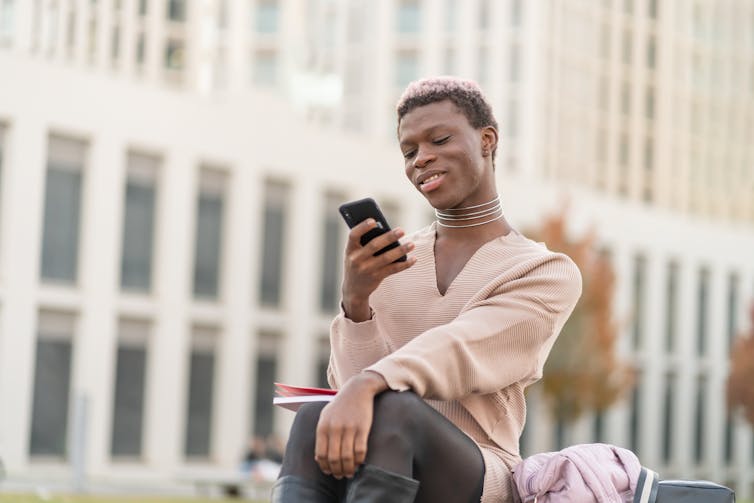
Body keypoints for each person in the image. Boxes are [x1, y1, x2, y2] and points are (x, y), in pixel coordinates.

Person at [271, 76, 582, 502]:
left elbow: (461, 349)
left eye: (438, 139)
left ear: (487, 140)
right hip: (382, 457)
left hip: (477, 473)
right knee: (314, 416)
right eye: (410, 151)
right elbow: (349, 396)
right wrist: (356, 303)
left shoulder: (542, 270)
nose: (422, 159)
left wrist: (368, 383)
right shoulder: (393, 261)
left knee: (398, 411)